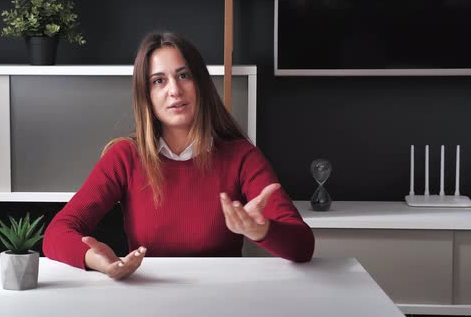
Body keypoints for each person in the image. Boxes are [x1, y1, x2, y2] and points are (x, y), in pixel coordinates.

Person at [43, 32, 314, 279]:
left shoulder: (241, 156)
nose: (174, 90)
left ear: (201, 84)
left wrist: (262, 230)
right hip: (150, 299)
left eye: (184, 75)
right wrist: (95, 259)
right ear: (146, 95)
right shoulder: (125, 157)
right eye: (158, 81)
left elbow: (303, 245)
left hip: (225, 300)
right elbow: (57, 233)